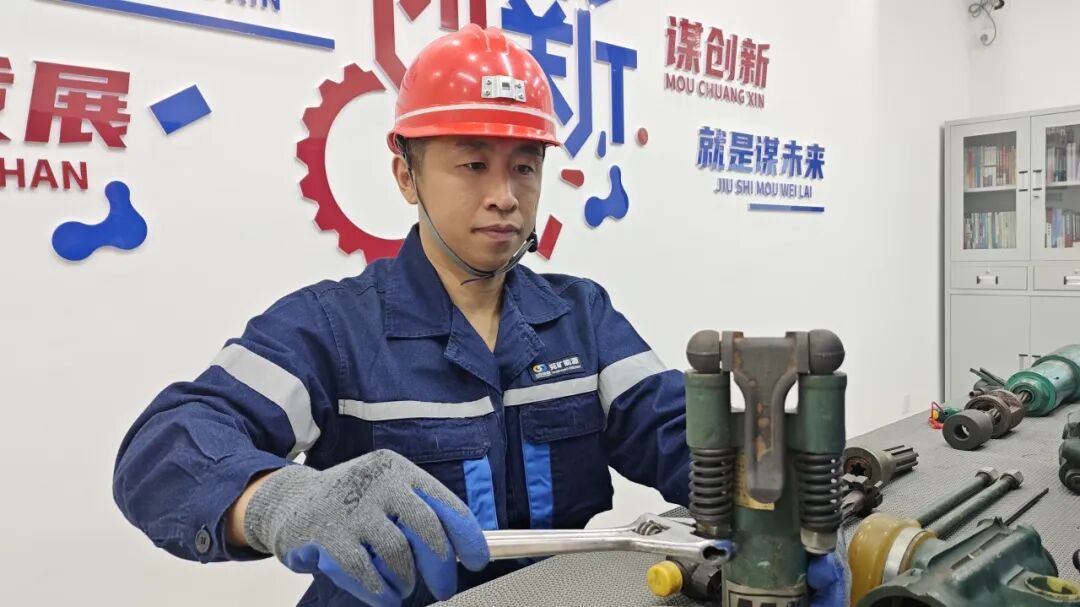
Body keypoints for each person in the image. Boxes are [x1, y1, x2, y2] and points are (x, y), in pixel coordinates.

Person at [112, 24, 844, 607]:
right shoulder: (331, 330)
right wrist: (280, 499)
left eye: (524, 166)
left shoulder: (582, 318)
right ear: (406, 175)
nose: (505, 195)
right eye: (472, 164)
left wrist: (774, 512)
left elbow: (679, 434)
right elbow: (164, 447)